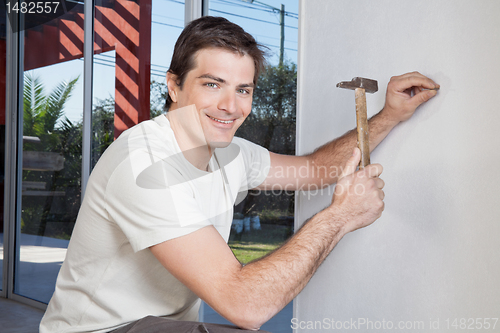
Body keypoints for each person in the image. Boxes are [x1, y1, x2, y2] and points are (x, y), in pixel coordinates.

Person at [40, 16, 439, 333]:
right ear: (174, 85)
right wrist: (341, 215)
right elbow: (246, 306)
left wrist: (388, 116)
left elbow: (314, 171)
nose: (231, 105)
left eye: (243, 90)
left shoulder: (229, 152)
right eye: (213, 84)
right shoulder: (145, 164)